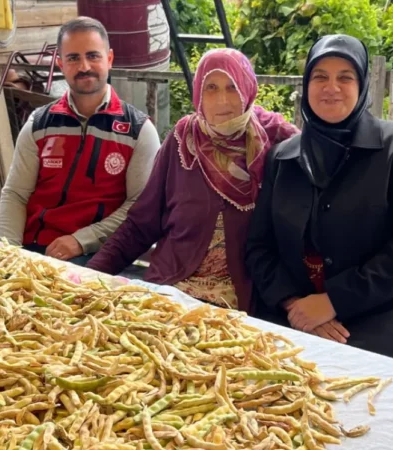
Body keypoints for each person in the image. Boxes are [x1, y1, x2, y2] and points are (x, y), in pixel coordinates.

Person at [245, 34, 393, 367]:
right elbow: (259, 247)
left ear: (363, 84)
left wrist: (333, 301)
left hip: (386, 315)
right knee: (262, 377)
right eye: (320, 76)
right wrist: (294, 303)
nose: (331, 87)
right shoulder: (283, 159)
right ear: (306, 85)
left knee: (343, 384)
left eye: (345, 77)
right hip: (297, 311)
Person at [87, 48, 298, 313]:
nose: (222, 100)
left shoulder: (276, 142)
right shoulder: (182, 140)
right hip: (171, 289)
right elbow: (141, 224)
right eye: (211, 87)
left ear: (247, 89)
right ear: (198, 92)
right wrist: (89, 276)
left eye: (232, 87)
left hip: (238, 303)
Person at [0, 17, 161, 266]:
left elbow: (140, 208)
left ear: (110, 59)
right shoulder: (39, 123)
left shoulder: (138, 130)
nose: (84, 66)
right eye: (73, 58)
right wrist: (7, 252)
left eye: (93, 56)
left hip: (99, 254)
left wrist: (81, 240)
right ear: (60, 64)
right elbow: (16, 194)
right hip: (34, 249)